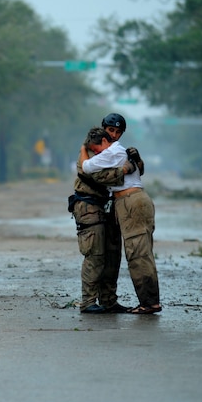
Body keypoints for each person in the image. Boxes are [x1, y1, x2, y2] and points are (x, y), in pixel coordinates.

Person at [80, 126, 161, 314]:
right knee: (139, 252)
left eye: (96, 149)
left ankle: (149, 303)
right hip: (131, 202)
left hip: (131, 202)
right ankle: (148, 301)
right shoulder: (122, 152)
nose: (96, 153)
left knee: (138, 255)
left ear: (104, 142)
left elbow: (86, 167)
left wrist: (84, 149)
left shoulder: (112, 151)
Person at [69, 120, 136, 314]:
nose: (114, 135)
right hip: (89, 206)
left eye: (118, 132)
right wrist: (124, 170)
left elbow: (137, 169)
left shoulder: (114, 151)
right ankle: (88, 301)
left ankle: (108, 300)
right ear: (104, 131)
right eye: (110, 130)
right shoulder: (90, 148)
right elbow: (96, 175)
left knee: (113, 255)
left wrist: (135, 161)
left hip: (108, 206)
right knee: (95, 254)